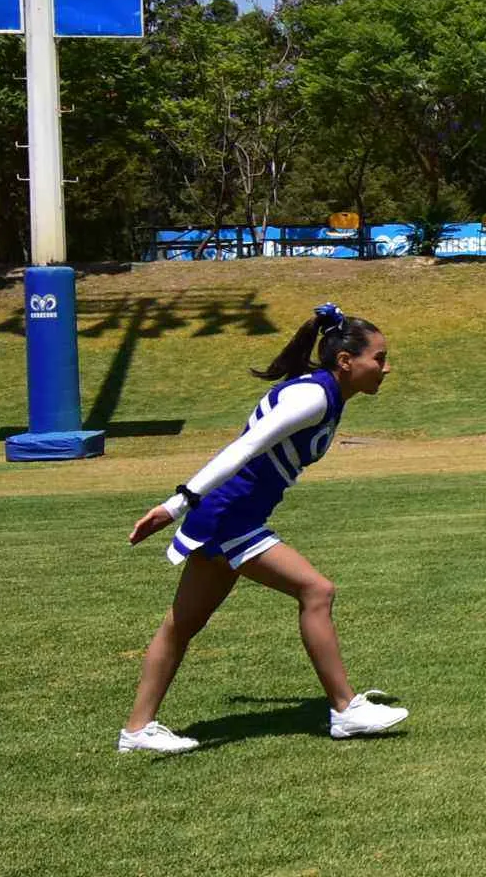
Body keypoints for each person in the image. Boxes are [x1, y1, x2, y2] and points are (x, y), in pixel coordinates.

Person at [118, 303, 407, 753]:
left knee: (182, 624)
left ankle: (137, 731)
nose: (386, 368)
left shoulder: (325, 393)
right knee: (317, 591)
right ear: (346, 361)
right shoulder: (313, 396)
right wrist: (177, 504)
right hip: (229, 514)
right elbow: (244, 447)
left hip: (232, 515)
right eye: (380, 358)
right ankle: (345, 710)